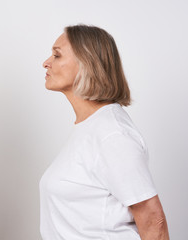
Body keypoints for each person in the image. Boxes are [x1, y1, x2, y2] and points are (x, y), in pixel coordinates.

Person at [40, 25, 169, 240]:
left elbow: (154, 220)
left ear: (86, 64)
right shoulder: (90, 128)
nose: (46, 62)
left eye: (57, 55)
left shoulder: (112, 134)